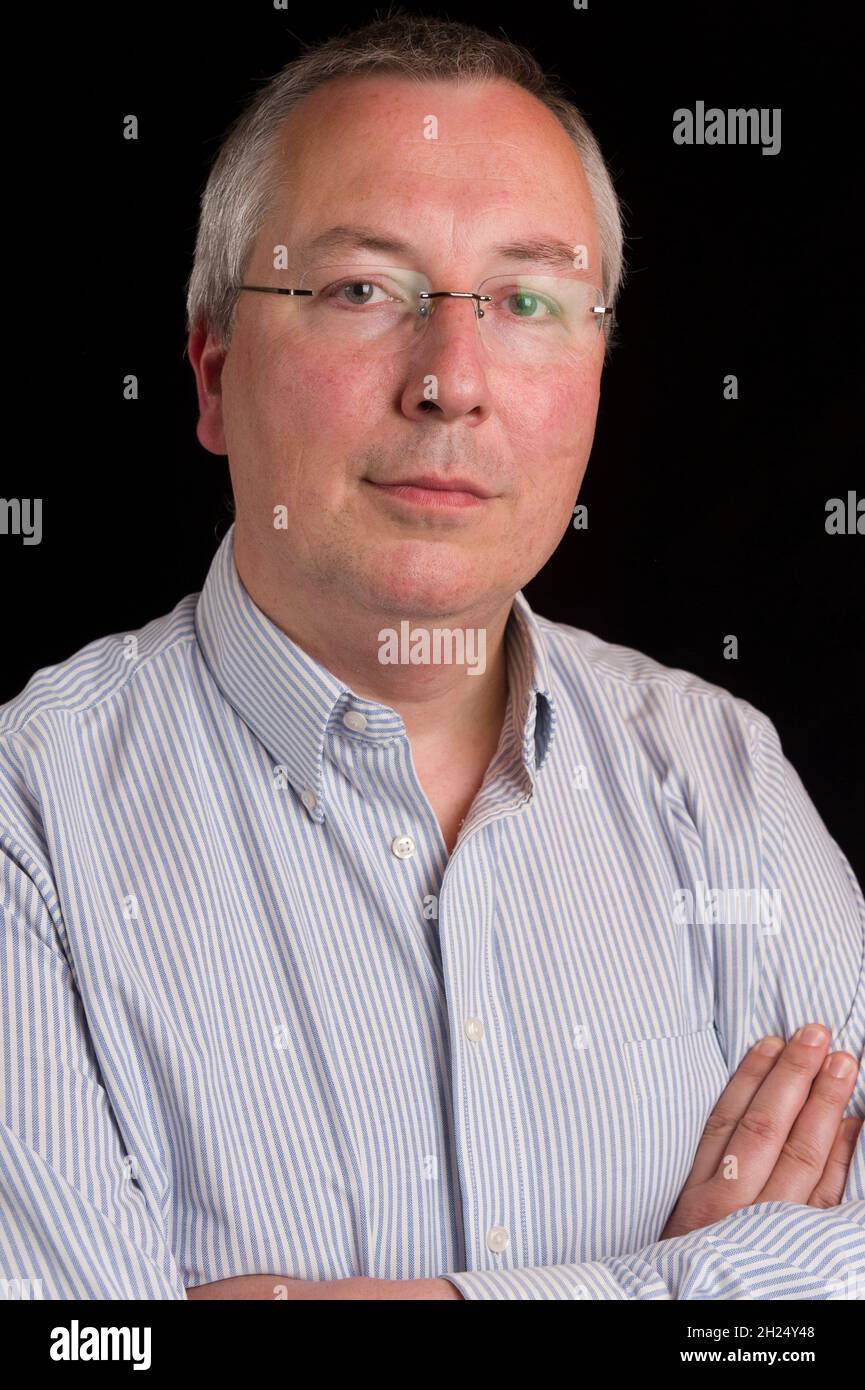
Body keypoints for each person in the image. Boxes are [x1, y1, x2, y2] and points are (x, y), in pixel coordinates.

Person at [1, 14, 862, 1300]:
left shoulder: (724, 773)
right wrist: (714, 1290)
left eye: (526, 299)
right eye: (361, 289)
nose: (451, 380)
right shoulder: (31, 808)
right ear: (214, 369)